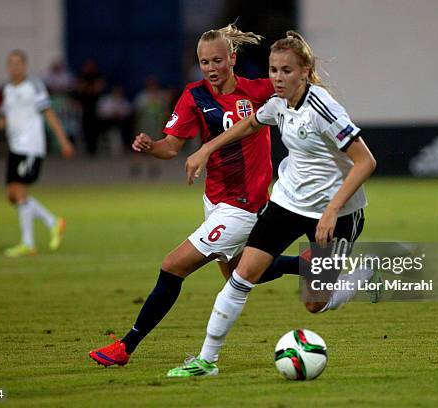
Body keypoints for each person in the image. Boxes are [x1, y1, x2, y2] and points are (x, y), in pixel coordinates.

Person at [89, 23, 301, 368]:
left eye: (217, 60)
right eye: (204, 62)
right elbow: (170, 147)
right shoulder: (194, 96)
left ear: (232, 58)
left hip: (244, 206)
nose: (211, 68)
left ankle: (126, 346)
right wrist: (150, 146)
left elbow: (296, 90)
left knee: (173, 265)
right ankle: (309, 265)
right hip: (215, 201)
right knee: (241, 273)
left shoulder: (259, 90)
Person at [166, 30, 377, 377]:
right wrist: (206, 148)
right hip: (287, 203)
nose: (278, 78)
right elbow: (249, 124)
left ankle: (354, 280)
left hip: (338, 212)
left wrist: (331, 210)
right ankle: (207, 360)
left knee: (313, 304)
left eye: (287, 71)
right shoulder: (277, 104)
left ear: (305, 71)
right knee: (241, 275)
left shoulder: (323, 108)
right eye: (274, 70)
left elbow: (366, 161)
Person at [0, 49, 75, 257]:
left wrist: (63, 140)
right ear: (8, 67)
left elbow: (48, 112)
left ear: (25, 66)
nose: (15, 67)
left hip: (30, 147)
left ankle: (28, 243)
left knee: (20, 193)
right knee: (12, 197)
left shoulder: (34, 85)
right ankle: (53, 222)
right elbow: (9, 118)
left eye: (18, 63)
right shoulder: (8, 90)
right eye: (11, 63)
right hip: (15, 147)